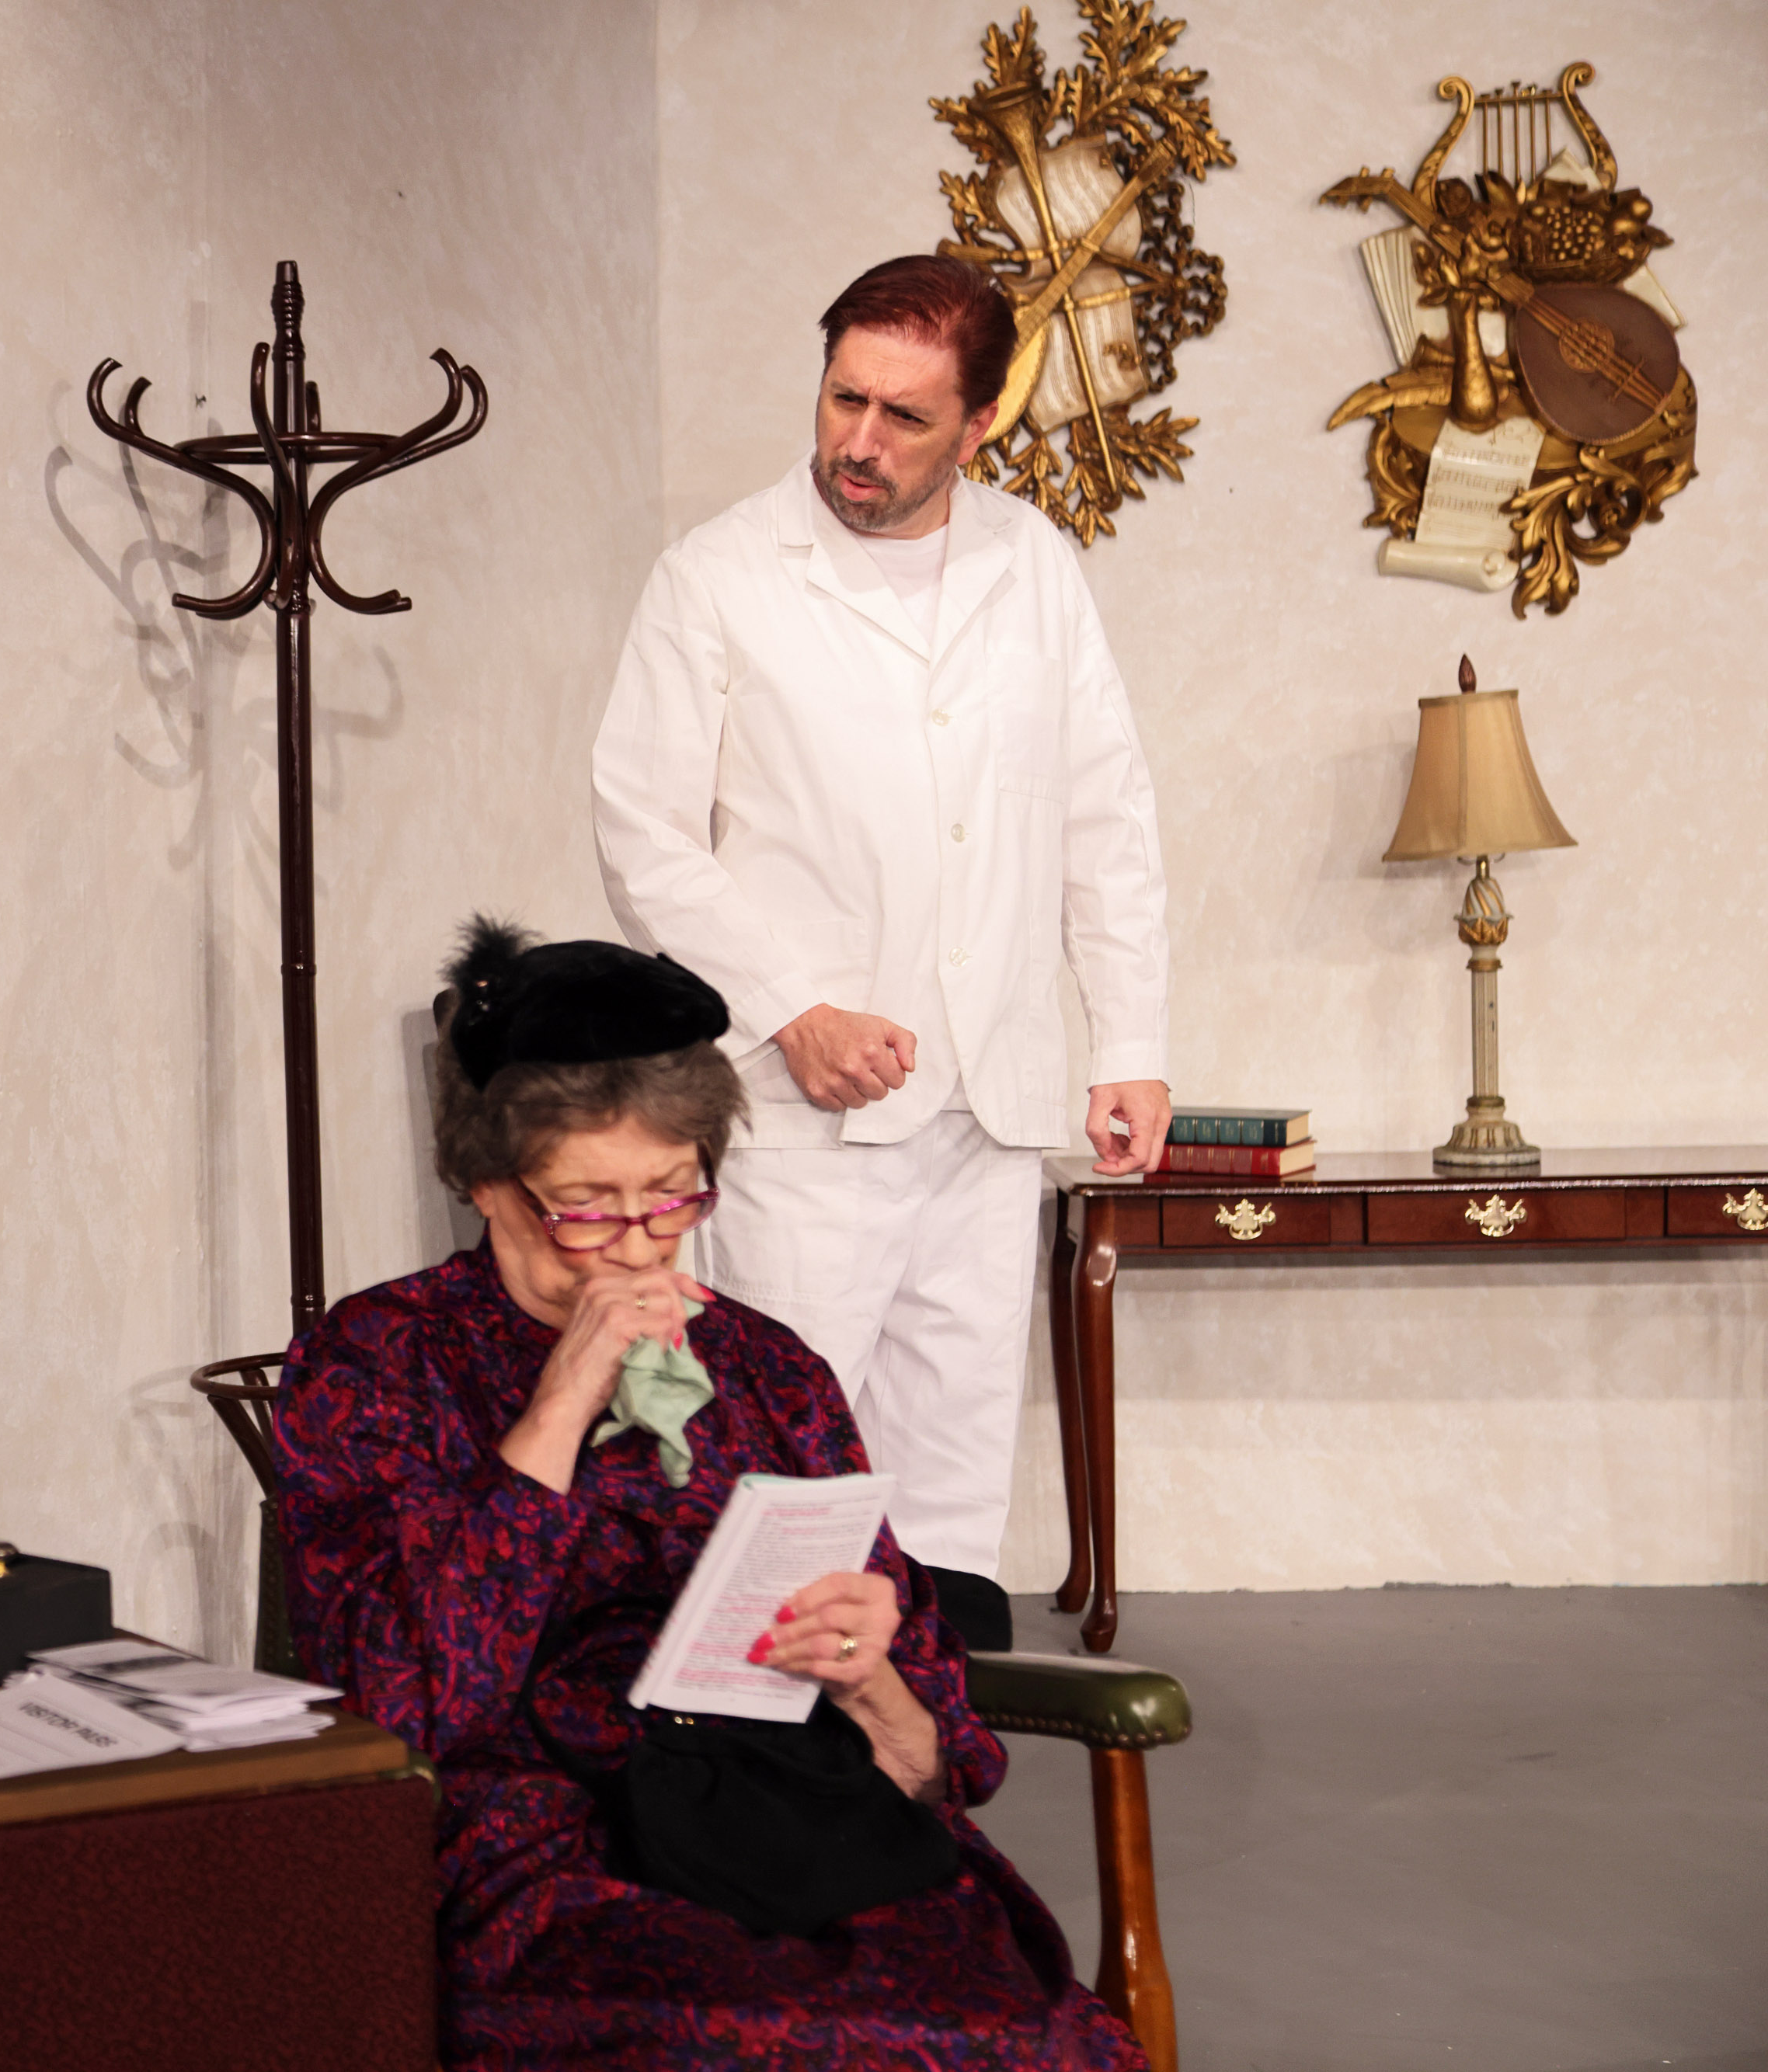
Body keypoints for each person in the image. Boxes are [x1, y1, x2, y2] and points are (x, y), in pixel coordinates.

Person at [274, 920, 1143, 2070]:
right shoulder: (380, 1358)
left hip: (791, 1813)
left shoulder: (766, 1366)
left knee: (1021, 2035)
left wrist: (872, 1680)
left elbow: (940, 1764)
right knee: (765, 2037)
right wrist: (559, 1403)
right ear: (484, 1181)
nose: (634, 1250)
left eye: (672, 1197)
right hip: (543, 1840)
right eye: (585, 1206)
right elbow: (405, 1703)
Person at [590, 254, 1171, 1639]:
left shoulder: (1035, 565)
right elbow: (643, 831)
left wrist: (1132, 1042)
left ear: (980, 424)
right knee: (788, 1474)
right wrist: (794, 1008)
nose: (861, 439)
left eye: (906, 416)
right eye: (844, 397)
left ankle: (927, 1754)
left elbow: (1104, 811)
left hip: (989, 1104)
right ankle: (758, 1753)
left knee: (950, 1495)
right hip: (807, 1117)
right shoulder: (721, 575)